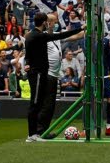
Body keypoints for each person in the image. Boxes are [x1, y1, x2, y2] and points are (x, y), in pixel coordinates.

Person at [24, 13, 82, 142]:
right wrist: (80, 28)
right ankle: (34, 133)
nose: (57, 24)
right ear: (46, 22)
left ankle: (39, 132)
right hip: (42, 73)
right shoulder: (40, 36)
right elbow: (62, 35)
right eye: (54, 22)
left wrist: (27, 63)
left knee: (43, 104)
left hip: (46, 74)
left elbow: (28, 53)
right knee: (38, 104)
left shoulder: (42, 35)